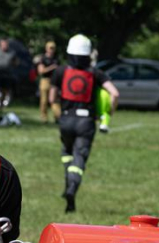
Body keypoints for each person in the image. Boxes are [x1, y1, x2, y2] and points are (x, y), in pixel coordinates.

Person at [49, 34, 118, 212]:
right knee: (79, 158)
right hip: (86, 121)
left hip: (66, 119)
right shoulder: (95, 73)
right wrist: (108, 113)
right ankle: (72, 189)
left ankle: (67, 185)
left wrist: (57, 113)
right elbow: (114, 94)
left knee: (66, 153)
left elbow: (52, 97)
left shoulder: (60, 71)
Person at [35, 41, 59, 123]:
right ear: (46, 48)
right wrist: (52, 67)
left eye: (53, 48)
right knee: (44, 101)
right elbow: (41, 71)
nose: (52, 50)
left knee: (54, 100)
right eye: (50, 48)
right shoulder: (43, 59)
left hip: (54, 81)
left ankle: (57, 117)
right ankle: (44, 118)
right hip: (45, 81)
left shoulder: (56, 59)